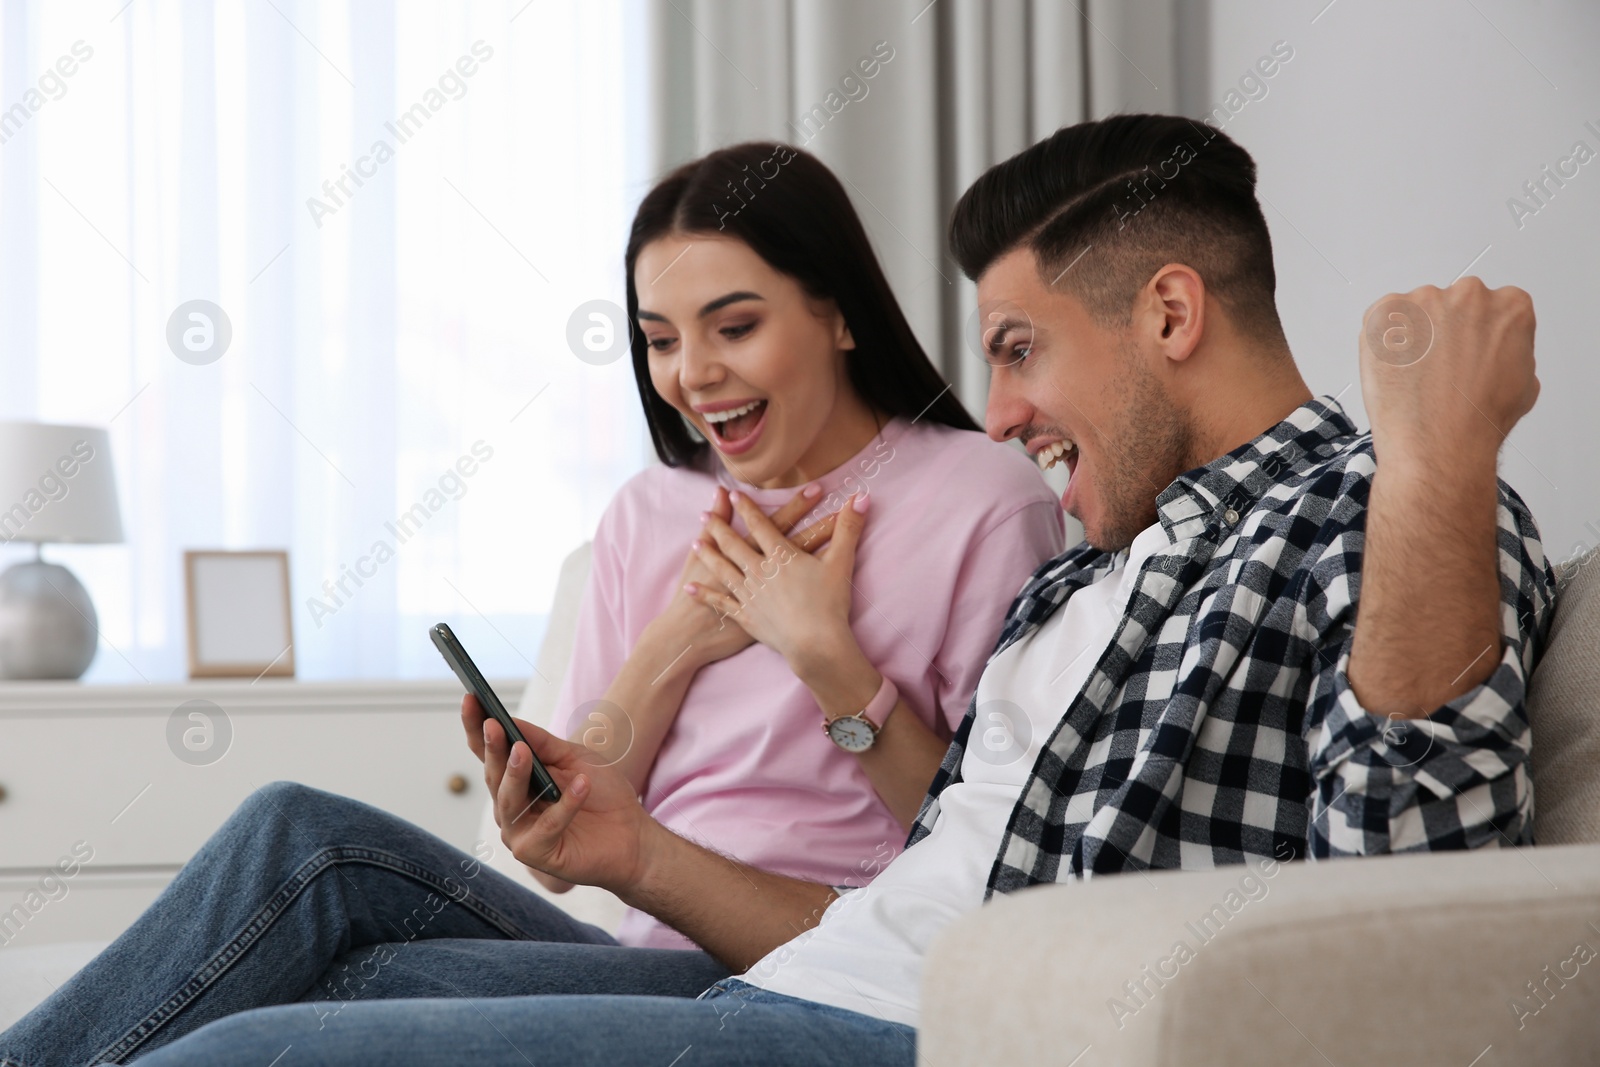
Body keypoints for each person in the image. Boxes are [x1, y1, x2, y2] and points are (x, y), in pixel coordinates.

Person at [0, 114, 1552, 1067]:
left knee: (248, 1052)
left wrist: (1437, 453)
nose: (996, 410)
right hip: (819, 981)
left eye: (1019, 350)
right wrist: (632, 845)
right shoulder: (1094, 562)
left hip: (893, 1035)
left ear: (1167, 311)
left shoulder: (1370, 508)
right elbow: (912, 907)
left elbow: (1413, 858)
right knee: (298, 941)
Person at [540, 142, 1063, 950]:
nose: (694, 374)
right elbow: (559, 860)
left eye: (736, 326)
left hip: (832, 969)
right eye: (662, 340)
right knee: (307, 840)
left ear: (839, 311)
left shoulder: (984, 499)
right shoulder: (647, 511)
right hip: (639, 965)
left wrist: (823, 652)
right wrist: (679, 636)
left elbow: (1001, 847)